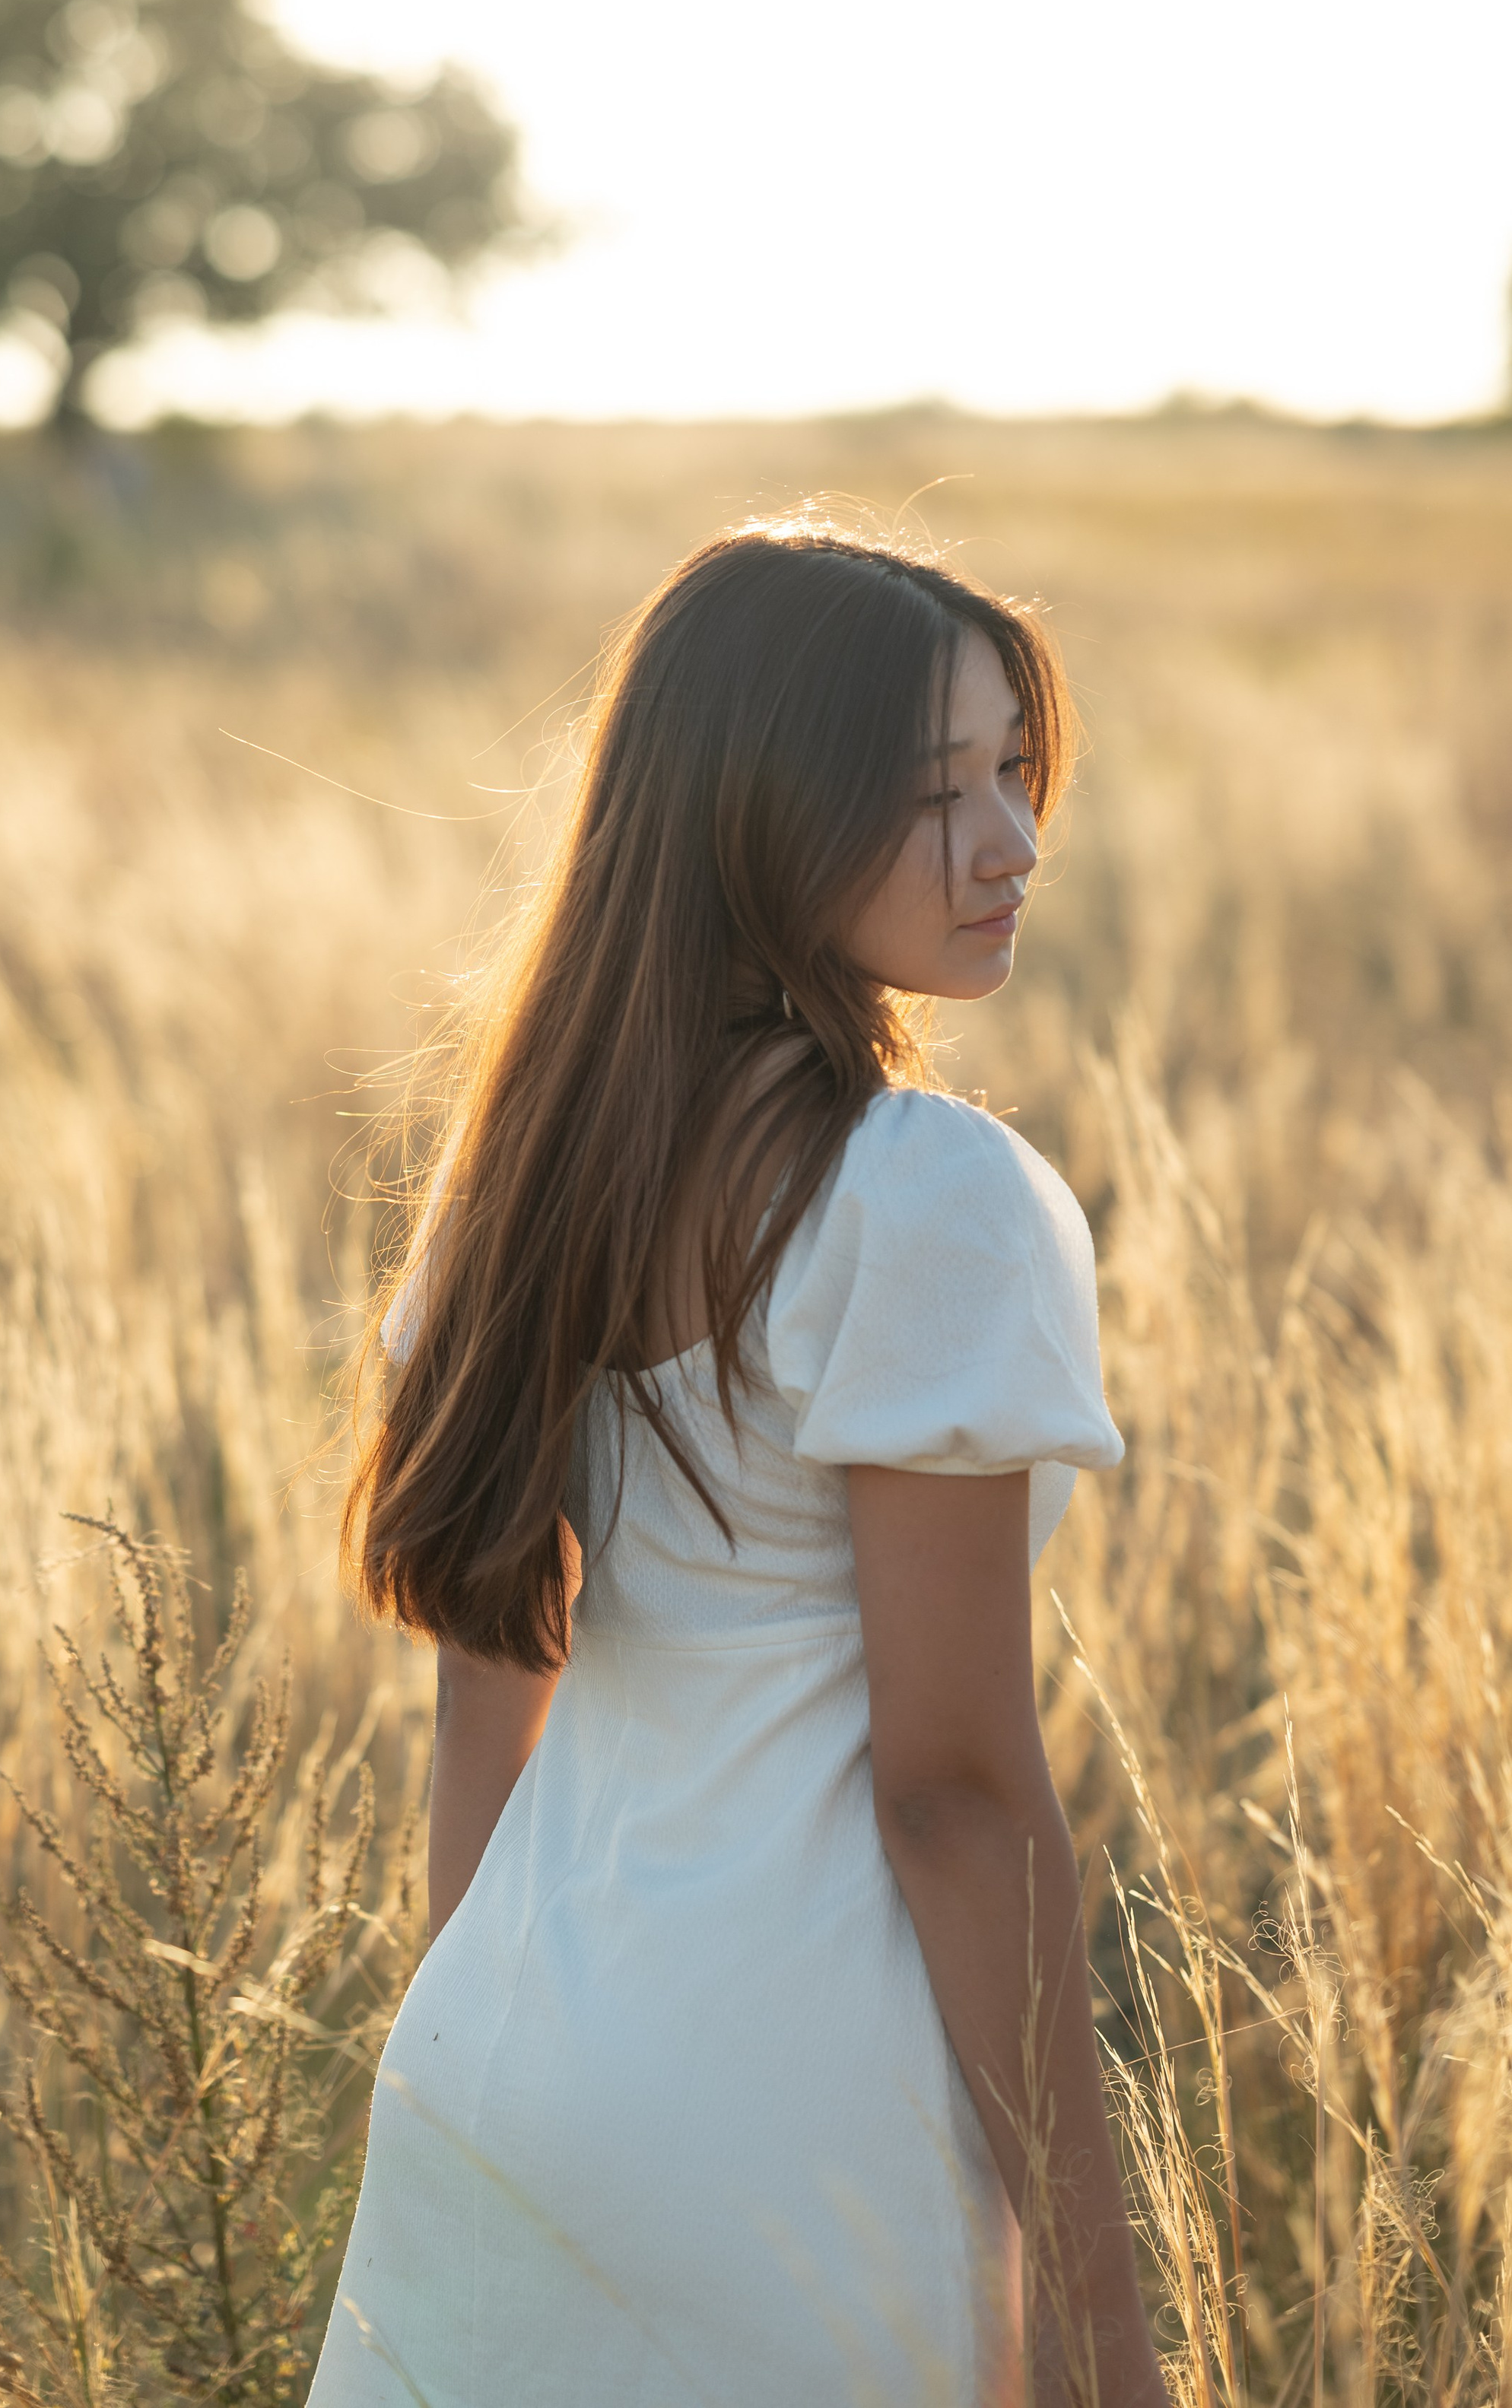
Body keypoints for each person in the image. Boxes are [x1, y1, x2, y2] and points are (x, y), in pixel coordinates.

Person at [309, 522, 1167, 2407]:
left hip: (495, 2071)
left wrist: (485, 2084)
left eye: (1014, 772)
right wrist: (1106, 2348)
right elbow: (951, 1795)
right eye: (931, 792)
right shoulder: (923, 1198)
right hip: (797, 2122)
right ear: (758, 814)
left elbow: (485, 1693)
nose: (1009, 843)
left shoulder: (516, 1187)